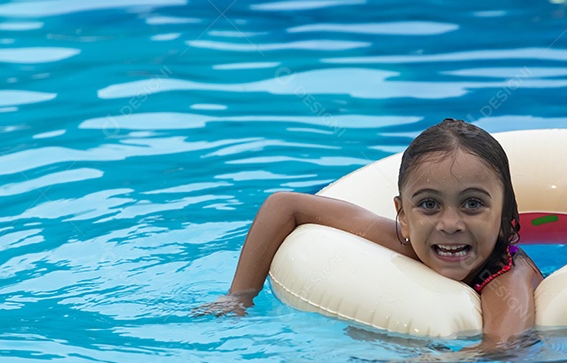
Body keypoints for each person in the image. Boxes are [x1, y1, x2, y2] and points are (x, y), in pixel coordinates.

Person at [195, 119, 544, 348]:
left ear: (507, 220)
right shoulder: (403, 240)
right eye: (428, 205)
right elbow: (284, 206)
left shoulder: (506, 280)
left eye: (472, 204)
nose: (449, 223)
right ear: (402, 217)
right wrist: (240, 296)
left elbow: (501, 354)